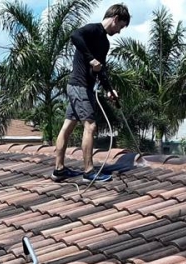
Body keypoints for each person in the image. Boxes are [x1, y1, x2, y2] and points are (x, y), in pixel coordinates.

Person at [51, 4, 131, 183]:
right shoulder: (93, 29)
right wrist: (91, 58)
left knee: (68, 126)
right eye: (120, 26)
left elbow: (100, 70)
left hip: (83, 87)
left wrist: (110, 90)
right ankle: (88, 171)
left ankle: (59, 170)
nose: (119, 31)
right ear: (115, 19)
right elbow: (74, 36)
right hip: (78, 86)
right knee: (91, 126)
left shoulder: (105, 43)